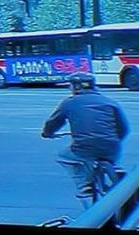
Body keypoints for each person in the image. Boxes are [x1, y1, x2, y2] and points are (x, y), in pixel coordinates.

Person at [42, 72, 132, 201]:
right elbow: (124, 129)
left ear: (75, 87)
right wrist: (113, 141)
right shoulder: (110, 102)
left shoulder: (69, 103)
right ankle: (114, 169)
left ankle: (84, 188)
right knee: (111, 156)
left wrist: (47, 134)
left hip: (84, 148)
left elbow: (53, 123)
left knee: (63, 156)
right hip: (112, 147)